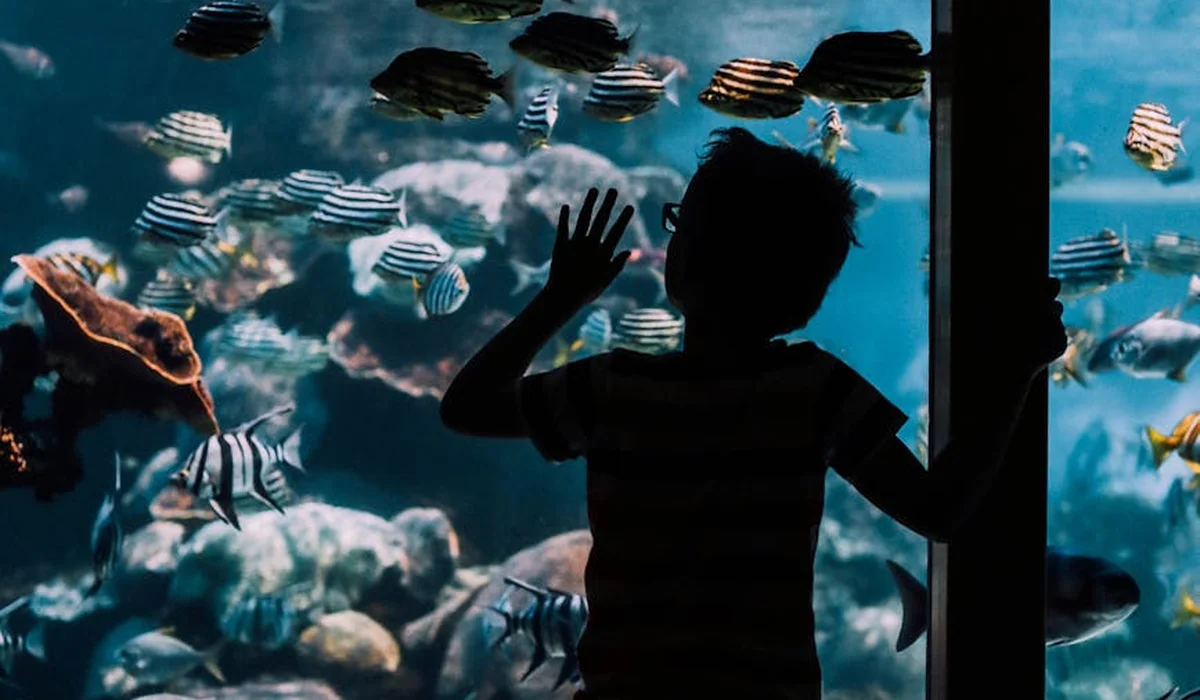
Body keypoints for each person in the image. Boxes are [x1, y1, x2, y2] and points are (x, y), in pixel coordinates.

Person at [439, 127, 1066, 700]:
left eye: (681, 221)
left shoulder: (615, 388)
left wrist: (559, 298)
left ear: (690, 257)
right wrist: (1016, 370)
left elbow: (465, 407)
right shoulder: (815, 390)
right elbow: (941, 508)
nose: (672, 234)